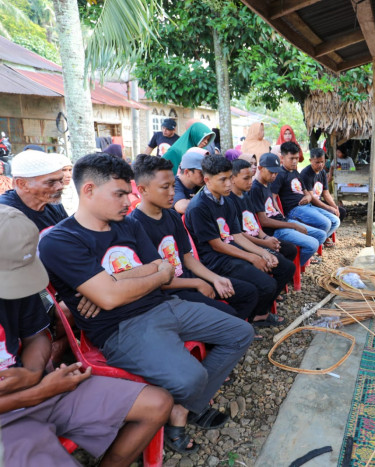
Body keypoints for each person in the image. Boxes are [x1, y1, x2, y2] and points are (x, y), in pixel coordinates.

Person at [39, 153, 254, 453]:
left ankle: (181, 408)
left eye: (129, 193)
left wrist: (110, 281)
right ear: (88, 190)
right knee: (193, 378)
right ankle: (181, 407)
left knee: (241, 333)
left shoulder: (127, 225)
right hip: (121, 328)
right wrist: (116, 287)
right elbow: (114, 296)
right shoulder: (60, 240)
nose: (129, 201)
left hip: (165, 304)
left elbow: (164, 272)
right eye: (120, 194)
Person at [0, 204, 174, 466]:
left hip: (39, 386)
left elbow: (36, 334)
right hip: (10, 415)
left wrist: (34, 372)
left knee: (158, 403)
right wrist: (36, 393)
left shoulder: (16, 284)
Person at [129, 155, 261, 339]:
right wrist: (198, 283)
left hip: (188, 279)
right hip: (170, 292)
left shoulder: (172, 216)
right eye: (164, 187)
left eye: (173, 186)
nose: (172, 193)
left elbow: (187, 257)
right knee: (226, 314)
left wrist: (214, 279)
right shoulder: (135, 226)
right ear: (142, 190)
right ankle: (226, 336)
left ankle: (229, 335)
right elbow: (154, 280)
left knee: (248, 293)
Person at [185, 155, 294, 328]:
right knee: (266, 284)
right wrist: (251, 258)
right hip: (216, 260)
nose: (228, 184)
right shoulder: (199, 207)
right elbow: (217, 244)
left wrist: (262, 252)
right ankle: (252, 318)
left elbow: (237, 235)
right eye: (223, 180)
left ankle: (259, 313)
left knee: (284, 266)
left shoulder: (225, 200)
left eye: (229, 178)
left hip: (231, 251)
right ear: (207, 180)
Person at [250, 153, 326, 266]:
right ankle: (295, 269)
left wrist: (285, 219)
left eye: (276, 172)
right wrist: (293, 225)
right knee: (313, 244)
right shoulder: (256, 189)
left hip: (284, 222)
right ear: (260, 168)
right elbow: (264, 221)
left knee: (321, 235)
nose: (274, 175)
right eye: (271, 172)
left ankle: (298, 263)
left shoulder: (268, 183)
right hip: (276, 230)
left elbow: (272, 204)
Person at [229, 158, 298, 264]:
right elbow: (239, 234)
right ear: (233, 178)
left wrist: (266, 237)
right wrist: (264, 242)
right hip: (247, 243)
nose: (250, 182)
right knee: (284, 265)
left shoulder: (246, 196)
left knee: (290, 249)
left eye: (251, 178)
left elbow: (254, 223)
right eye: (246, 178)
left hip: (258, 237)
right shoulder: (230, 201)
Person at [272, 142, 340, 244]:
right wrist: (281, 216)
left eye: (296, 158)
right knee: (325, 223)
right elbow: (273, 198)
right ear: (282, 158)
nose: (295, 161)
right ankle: (313, 245)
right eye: (291, 158)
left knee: (335, 221)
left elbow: (306, 192)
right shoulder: (280, 175)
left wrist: (308, 197)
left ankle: (317, 243)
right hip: (294, 209)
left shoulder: (295, 172)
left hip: (307, 206)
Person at [0, 149, 70, 234]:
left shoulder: (53, 204)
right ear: (22, 184)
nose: (60, 186)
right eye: (51, 182)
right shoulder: (4, 213)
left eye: (60, 180)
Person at [301, 148, 347, 232]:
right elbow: (312, 198)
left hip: (319, 202)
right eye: (317, 162)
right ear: (311, 160)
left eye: (322, 162)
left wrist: (334, 206)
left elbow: (326, 193)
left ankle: (328, 234)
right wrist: (328, 208)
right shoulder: (306, 173)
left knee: (341, 211)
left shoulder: (322, 172)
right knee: (330, 213)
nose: (320, 165)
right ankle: (323, 236)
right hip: (310, 204)